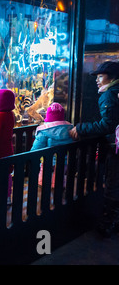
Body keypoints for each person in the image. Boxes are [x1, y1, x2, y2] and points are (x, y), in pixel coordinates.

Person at [69, 61, 119, 237]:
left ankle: (107, 224)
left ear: (111, 77)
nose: (97, 80)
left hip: (116, 148)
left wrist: (81, 128)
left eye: (100, 76)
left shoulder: (109, 94)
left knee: (113, 184)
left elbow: (107, 125)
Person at [31, 102, 73, 187]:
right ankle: (56, 186)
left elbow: (37, 146)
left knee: (44, 170)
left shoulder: (44, 131)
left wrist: (32, 153)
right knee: (59, 173)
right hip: (64, 158)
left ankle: (41, 184)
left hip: (47, 159)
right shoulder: (69, 129)